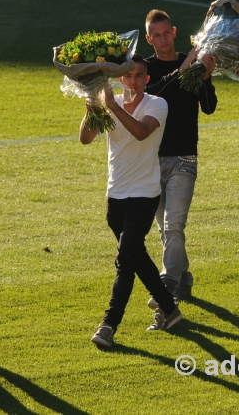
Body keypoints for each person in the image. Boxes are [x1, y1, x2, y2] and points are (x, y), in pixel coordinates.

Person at [82, 55, 182, 349]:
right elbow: (86, 138)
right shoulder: (108, 104)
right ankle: (170, 310)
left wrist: (112, 107)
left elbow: (140, 132)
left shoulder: (156, 105)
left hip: (144, 194)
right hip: (115, 196)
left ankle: (108, 325)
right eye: (129, 76)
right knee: (136, 256)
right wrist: (92, 109)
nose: (134, 80)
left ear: (146, 79)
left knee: (125, 261)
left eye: (140, 76)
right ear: (121, 78)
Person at [143, 9, 217, 307]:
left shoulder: (194, 63)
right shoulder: (145, 69)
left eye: (166, 33)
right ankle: (183, 277)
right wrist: (183, 69)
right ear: (149, 39)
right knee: (165, 228)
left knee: (174, 225)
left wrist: (205, 78)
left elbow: (209, 107)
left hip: (184, 158)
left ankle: (167, 284)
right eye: (156, 36)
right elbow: (152, 96)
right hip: (150, 160)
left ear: (174, 32)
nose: (163, 40)